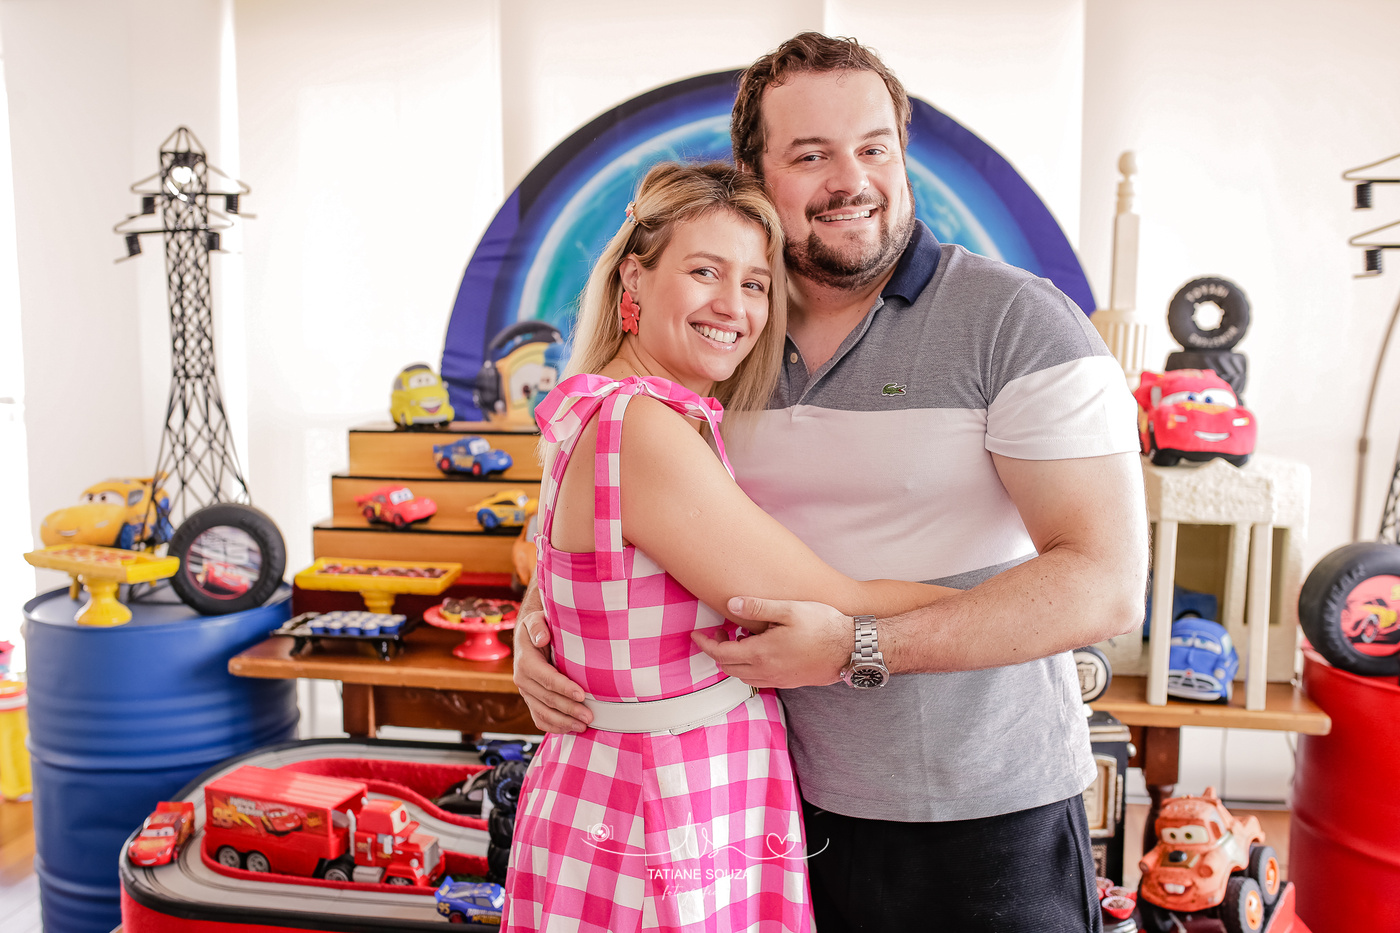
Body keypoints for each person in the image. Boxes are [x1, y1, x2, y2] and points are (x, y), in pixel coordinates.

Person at [512, 33, 1150, 932]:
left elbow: (1105, 584)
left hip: (982, 822)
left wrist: (862, 644)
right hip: (784, 805)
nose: (852, 180)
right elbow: (605, 516)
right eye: (811, 155)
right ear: (754, 174)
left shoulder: (1018, 322)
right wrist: (544, 627)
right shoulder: (725, 343)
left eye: (874, 147)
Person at [501, 160, 950, 933]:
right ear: (633, 280)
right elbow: (831, 601)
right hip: (660, 810)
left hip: (655, 795)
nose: (734, 306)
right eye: (705, 271)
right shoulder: (640, 428)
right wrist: (1011, 615)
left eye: (755, 283)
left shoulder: (614, 410)